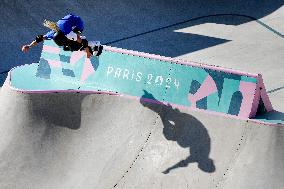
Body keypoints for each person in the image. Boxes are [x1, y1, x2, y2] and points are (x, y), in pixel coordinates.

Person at [22, 13, 103, 58]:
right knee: (68, 46)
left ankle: (95, 44)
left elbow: (83, 42)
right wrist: (29, 46)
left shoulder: (68, 34)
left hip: (77, 23)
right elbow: (39, 38)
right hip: (67, 23)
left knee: (76, 43)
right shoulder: (53, 33)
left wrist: (88, 53)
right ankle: (80, 45)